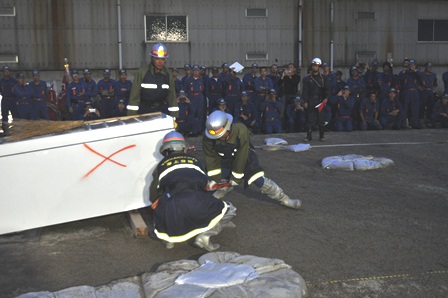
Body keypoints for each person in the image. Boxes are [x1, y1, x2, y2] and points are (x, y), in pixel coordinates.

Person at [150, 131, 236, 251]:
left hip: (173, 210)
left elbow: (153, 193)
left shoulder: (160, 166)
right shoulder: (196, 161)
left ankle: (168, 240)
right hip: (198, 204)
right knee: (230, 209)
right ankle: (204, 237)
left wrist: (158, 204)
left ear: (165, 151)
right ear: (184, 149)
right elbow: (206, 184)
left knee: (160, 208)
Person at [202, 110, 302, 209]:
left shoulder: (240, 130)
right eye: (213, 133)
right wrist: (215, 178)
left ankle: (284, 199)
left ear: (227, 127)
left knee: (258, 179)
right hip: (225, 159)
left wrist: (236, 177)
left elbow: (241, 155)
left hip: (245, 157)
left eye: (219, 133)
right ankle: (217, 194)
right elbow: (211, 157)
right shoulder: (208, 136)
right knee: (211, 179)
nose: (216, 136)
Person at [128, 43, 178, 117]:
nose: (160, 62)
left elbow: (172, 97)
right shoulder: (142, 72)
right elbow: (134, 97)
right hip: (145, 112)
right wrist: (132, 117)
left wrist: (174, 117)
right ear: (152, 58)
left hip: (162, 111)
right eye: (157, 59)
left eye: (162, 59)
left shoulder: (168, 74)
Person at [302, 57, 330, 141]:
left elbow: (327, 89)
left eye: (316, 66)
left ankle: (321, 136)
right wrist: (305, 101)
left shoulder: (324, 78)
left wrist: (326, 98)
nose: (315, 67)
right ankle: (308, 136)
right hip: (311, 100)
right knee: (310, 119)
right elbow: (305, 91)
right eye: (313, 66)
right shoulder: (307, 79)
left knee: (321, 119)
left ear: (319, 67)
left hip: (320, 100)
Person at [399, 59, 421, 129]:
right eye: (409, 65)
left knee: (415, 109)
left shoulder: (417, 72)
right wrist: (405, 71)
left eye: (412, 65)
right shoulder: (404, 72)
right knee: (404, 108)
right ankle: (403, 124)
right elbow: (400, 79)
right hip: (406, 91)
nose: (411, 66)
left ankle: (415, 124)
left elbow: (422, 77)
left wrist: (415, 70)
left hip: (414, 92)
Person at [346, 66, 367, 130]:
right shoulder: (349, 80)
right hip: (353, 97)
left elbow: (363, 87)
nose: (354, 73)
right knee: (353, 112)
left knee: (360, 111)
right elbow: (350, 89)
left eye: (355, 71)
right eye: (353, 71)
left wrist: (357, 89)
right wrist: (357, 89)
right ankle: (353, 126)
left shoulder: (361, 79)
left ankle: (360, 125)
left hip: (360, 97)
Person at [418, 62, 437, 128]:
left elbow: (435, 83)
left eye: (430, 67)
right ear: (425, 67)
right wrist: (419, 87)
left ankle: (428, 120)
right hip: (423, 92)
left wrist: (434, 87)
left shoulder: (433, 75)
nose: (429, 68)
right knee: (422, 106)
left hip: (430, 92)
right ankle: (421, 120)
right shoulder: (421, 74)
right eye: (428, 67)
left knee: (430, 106)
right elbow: (417, 82)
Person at [0, 65, 18, 133]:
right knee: (4, 116)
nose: (6, 73)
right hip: (5, 100)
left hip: (13, 100)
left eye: (7, 71)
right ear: (3, 72)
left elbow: (17, 90)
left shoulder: (13, 81)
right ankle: (6, 131)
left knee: (15, 115)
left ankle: (16, 130)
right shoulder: (1, 81)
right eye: (5, 71)